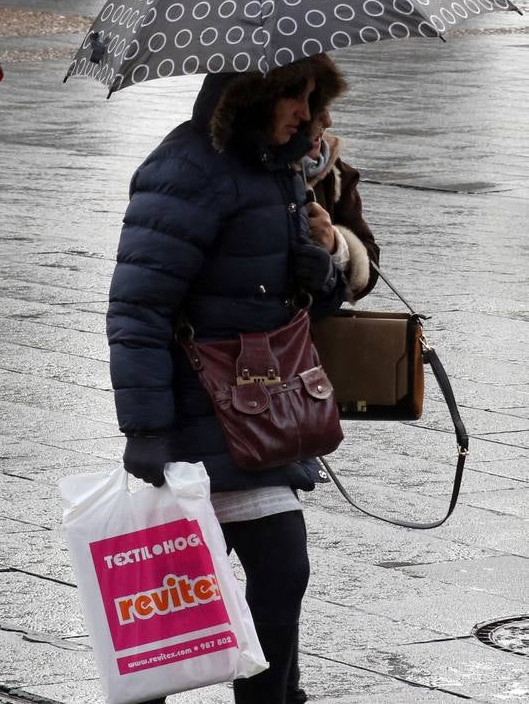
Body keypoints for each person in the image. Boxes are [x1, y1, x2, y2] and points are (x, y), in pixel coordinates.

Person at [106, 54, 355, 704]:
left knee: (278, 574)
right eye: (292, 97)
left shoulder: (279, 174)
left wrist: (318, 270)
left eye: (311, 97)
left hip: (254, 414)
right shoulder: (186, 170)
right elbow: (138, 310)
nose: (305, 113)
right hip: (196, 418)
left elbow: (288, 303)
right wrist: (148, 431)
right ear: (252, 95)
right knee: (169, 607)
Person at [302, 104, 380, 300]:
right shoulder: (235, 178)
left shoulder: (335, 176)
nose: (328, 121)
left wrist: (337, 246)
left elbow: (370, 268)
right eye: (313, 102)